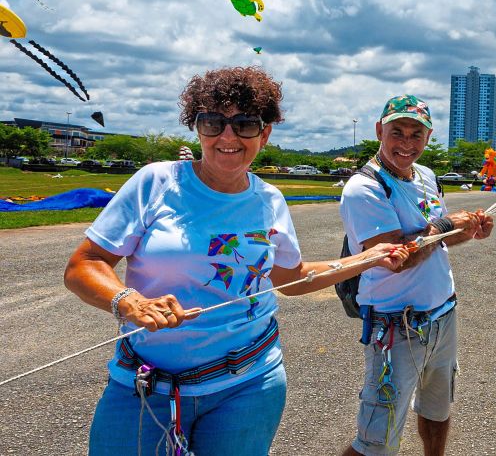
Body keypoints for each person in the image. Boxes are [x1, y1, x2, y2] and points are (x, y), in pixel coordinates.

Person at [64, 66, 409, 456]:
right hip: (146, 386)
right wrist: (130, 300)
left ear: (265, 133)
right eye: (213, 122)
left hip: (249, 385)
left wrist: (367, 258)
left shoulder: (270, 200)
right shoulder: (156, 182)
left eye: (244, 124)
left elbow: (291, 280)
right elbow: (84, 264)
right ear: (197, 128)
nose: (227, 136)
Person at [340, 94, 494, 456]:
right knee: (375, 440)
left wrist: (469, 230)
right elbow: (396, 257)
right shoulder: (364, 188)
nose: (406, 143)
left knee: (438, 409)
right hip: (396, 326)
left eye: (416, 134)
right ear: (380, 131)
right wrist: (444, 224)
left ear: (428, 137)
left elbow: (439, 242)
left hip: (443, 314)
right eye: (398, 132)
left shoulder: (425, 175)